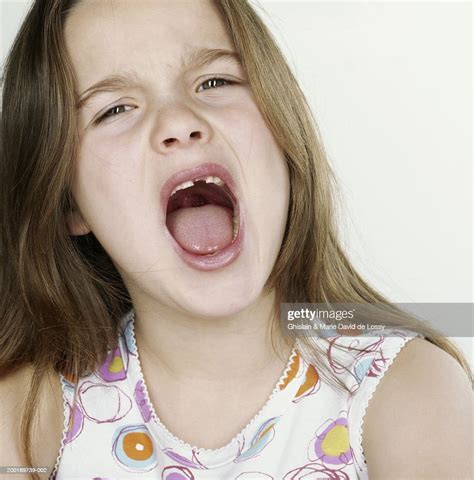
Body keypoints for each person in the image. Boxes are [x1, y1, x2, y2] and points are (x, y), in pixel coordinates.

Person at [0, 1, 471, 479]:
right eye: (115, 109)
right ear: (67, 203)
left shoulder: (406, 392)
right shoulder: (29, 415)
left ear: (282, 129)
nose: (179, 123)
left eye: (215, 82)